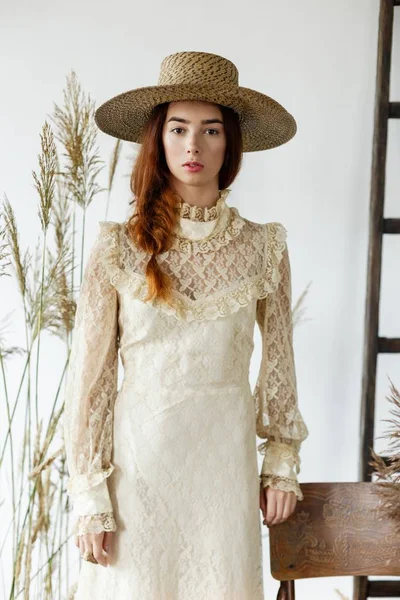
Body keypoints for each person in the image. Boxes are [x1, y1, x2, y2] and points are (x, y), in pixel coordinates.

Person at [63, 50, 309, 599]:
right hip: (137, 471)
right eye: (178, 129)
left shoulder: (264, 247)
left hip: (223, 470)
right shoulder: (116, 247)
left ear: (231, 143)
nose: (193, 146)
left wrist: (281, 463)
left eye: (210, 130)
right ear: (159, 138)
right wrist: (90, 498)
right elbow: (92, 379)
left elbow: (280, 364)